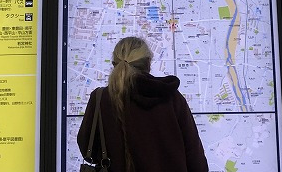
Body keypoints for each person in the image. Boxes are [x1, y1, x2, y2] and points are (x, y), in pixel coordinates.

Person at [77, 36, 209, 172]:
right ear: (148, 64)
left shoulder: (100, 99)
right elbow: (195, 157)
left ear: (114, 65)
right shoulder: (172, 98)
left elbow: (87, 147)